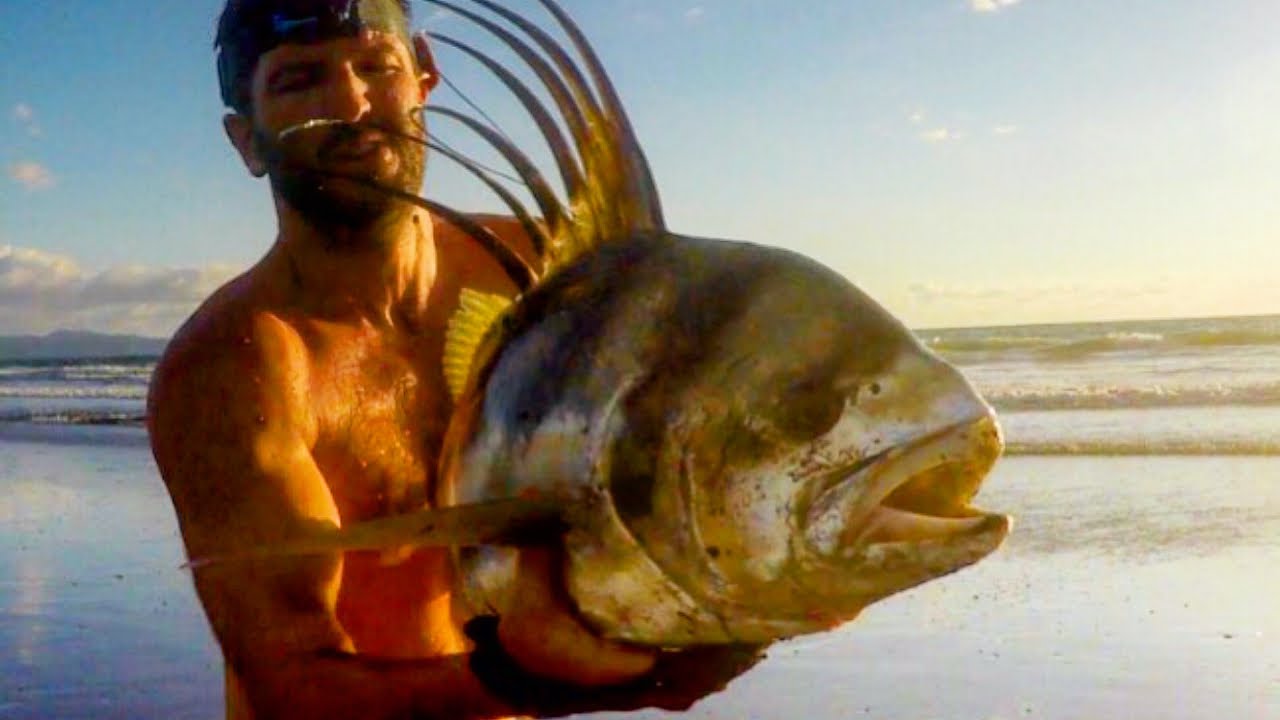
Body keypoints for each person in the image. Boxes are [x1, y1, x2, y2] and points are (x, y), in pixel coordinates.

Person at [147, 1, 762, 718]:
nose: (352, 103)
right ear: (246, 141)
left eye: (376, 66)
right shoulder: (230, 369)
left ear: (424, 78)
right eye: (299, 80)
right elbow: (290, 684)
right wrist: (526, 679)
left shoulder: (547, 275)